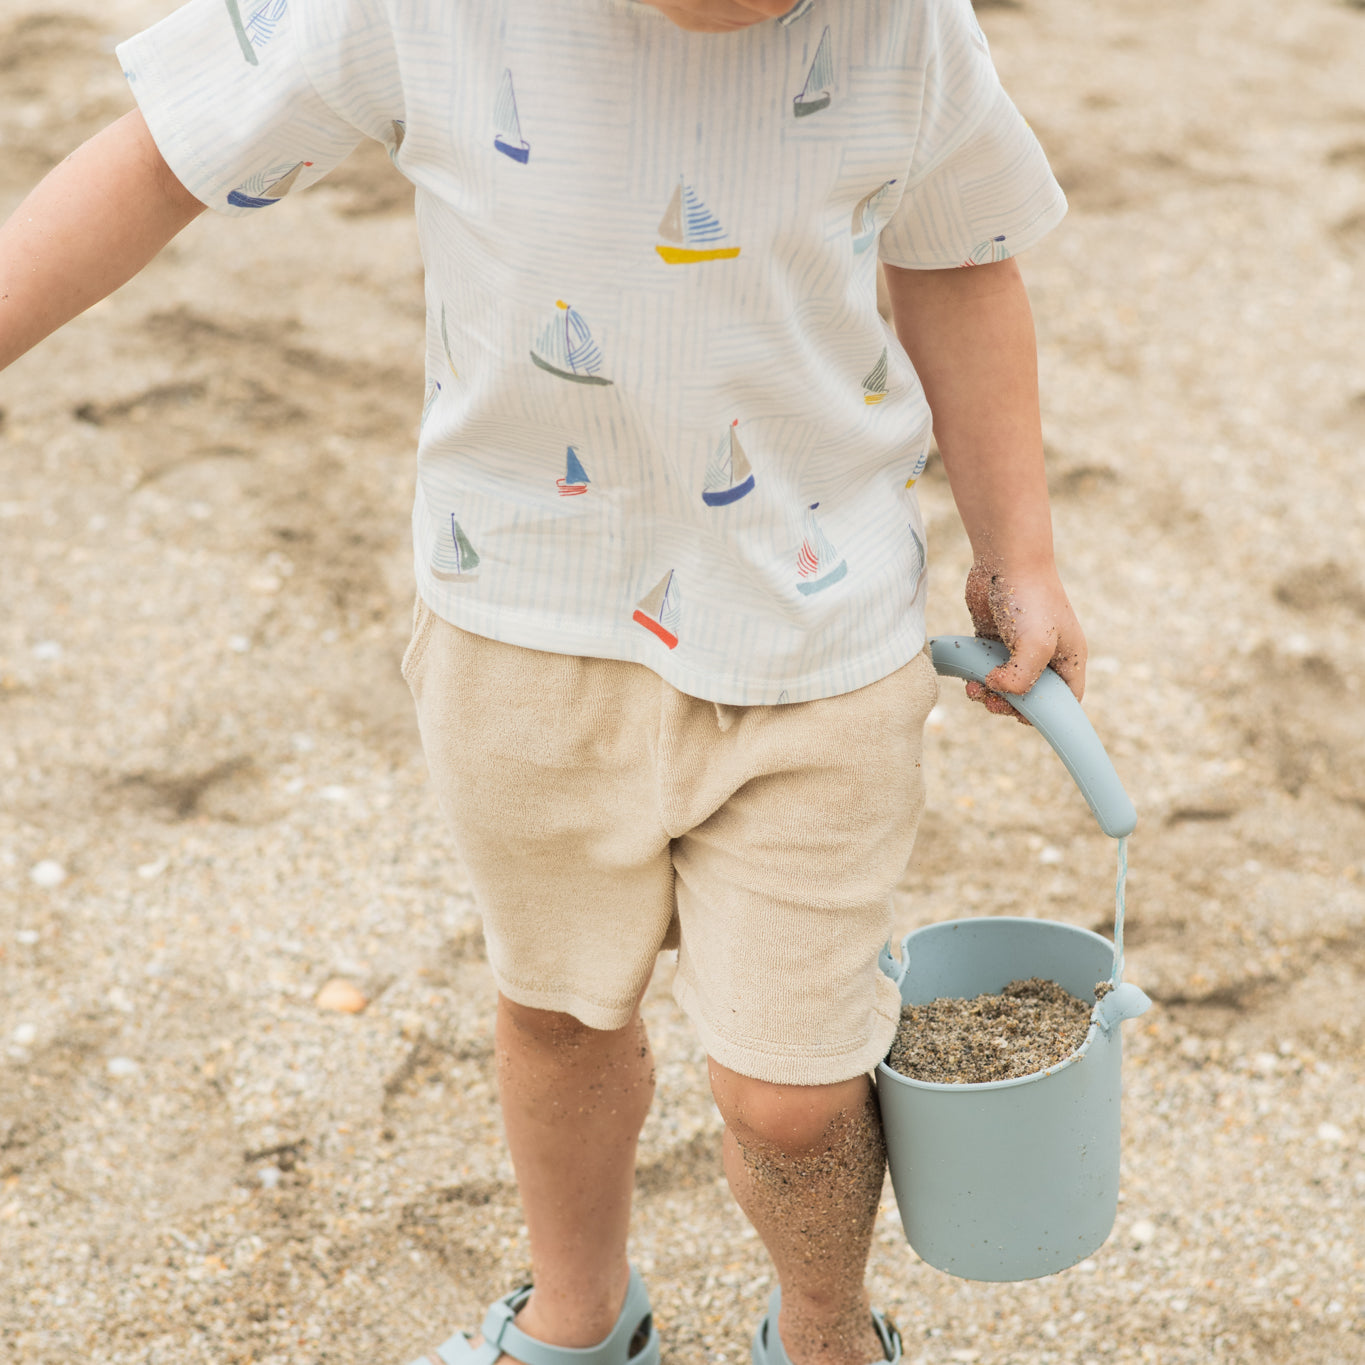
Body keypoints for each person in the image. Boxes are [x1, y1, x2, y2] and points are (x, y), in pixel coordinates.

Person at [0, 0, 1087, 1361]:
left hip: (819, 640)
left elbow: (960, 257)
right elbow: (165, 152)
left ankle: (822, 1327)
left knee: (791, 1092)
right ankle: (578, 1310)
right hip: (520, 616)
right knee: (562, 1013)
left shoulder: (902, 29)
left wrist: (1018, 547)